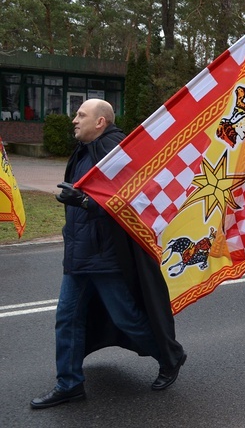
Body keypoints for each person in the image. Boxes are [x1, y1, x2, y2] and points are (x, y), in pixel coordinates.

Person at [31, 99, 186, 410]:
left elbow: (135, 198)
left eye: (81, 115)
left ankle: (170, 356)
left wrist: (87, 203)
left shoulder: (115, 150)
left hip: (105, 256)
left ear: (100, 122)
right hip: (79, 252)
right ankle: (69, 384)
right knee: (67, 318)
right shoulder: (84, 152)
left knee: (126, 318)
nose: (74, 120)